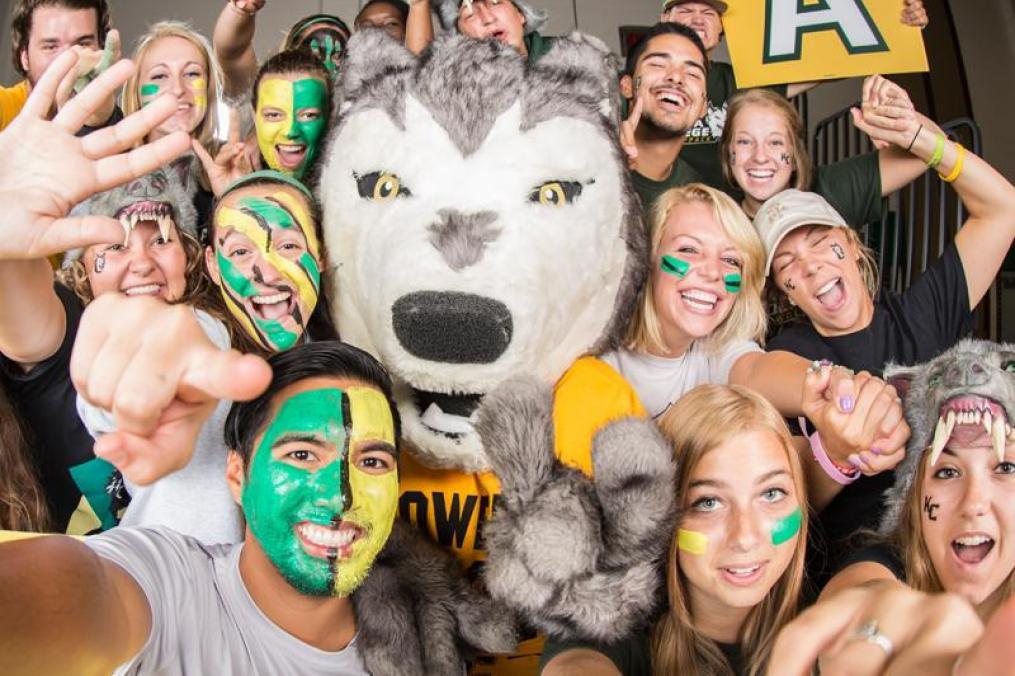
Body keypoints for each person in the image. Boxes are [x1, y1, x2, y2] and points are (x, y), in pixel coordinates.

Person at [0, 341, 517, 674]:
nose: (341, 495)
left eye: (373, 462)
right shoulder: (168, 584)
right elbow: (56, 597)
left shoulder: (416, 646)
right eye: (301, 454)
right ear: (237, 475)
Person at [755, 97, 1015, 581]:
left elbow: (1002, 211)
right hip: (864, 556)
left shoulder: (922, 312)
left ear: (851, 244)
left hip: (970, 528)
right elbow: (786, 488)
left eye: (819, 242)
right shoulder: (790, 353)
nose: (810, 266)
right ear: (785, 291)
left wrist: (923, 140)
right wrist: (840, 441)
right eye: (788, 266)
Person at [601, 183, 907, 510]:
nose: (713, 272)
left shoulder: (717, 347)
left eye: (731, 259)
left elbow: (755, 371)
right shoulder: (594, 353)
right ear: (648, 256)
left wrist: (837, 390)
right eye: (689, 250)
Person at [0, 49, 191, 535]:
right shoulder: (66, 348)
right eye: (115, 243)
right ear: (82, 268)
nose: (142, 261)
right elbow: (25, 322)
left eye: (162, 239)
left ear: (190, 261)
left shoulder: (219, 361)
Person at [767, 339, 1015, 675]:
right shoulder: (884, 561)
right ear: (912, 501)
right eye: (946, 471)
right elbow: (863, 591)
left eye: (1005, 468)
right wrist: (876, 628)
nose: (973, 504)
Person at [542, 384, 808, 675]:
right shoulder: (610, 619)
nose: (745, 537)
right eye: (708, 502)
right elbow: (576, 664)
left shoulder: (829, 609)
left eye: (771, 493)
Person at [660, 0, 929, 188]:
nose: (697, 18)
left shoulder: (743, 81)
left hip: (732, 220)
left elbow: (829, 66)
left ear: (721, 30)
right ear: (666, 19)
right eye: (686, 10)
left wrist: (898, 26)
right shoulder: (637, 81)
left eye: (708, 14)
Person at [719, 80, 935, 224]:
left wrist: (899, 121)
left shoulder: (829, 190)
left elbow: (932, 149)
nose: (760, 156)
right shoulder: (716, 218)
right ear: (729, 154)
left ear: (795, 156)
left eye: (775, 143)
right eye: (745, 142)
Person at [120, 21, 224, 230]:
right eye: (160, 76)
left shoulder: (229, 165)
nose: (178, 89)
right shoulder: (113, 171)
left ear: (209, 87)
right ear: (136, 91)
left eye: (192, 73)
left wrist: (233, 196)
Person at [617, 22, 709, 212]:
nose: (676, 77)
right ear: (626, 86)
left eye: (692, 73)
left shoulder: (699, 198)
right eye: (658, 64)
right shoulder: (582, 163)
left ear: (703, 107)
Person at [1, 0, 111, 130]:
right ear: (24, 58)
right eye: (50, 47)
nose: (66, 61)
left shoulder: (110, 121)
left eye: (82, 44)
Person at [213, 3, 352, 98]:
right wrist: (239, 10)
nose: (327, 67)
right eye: (315, 55)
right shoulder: (266, 92)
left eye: (338, 56)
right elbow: (234, 53)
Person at [432, 0, 555, 64]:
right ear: (460, 37)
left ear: (521, 14)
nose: (488, 19)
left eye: (496, 3)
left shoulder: (571, 60)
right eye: (469, 15)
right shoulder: (454, 89)